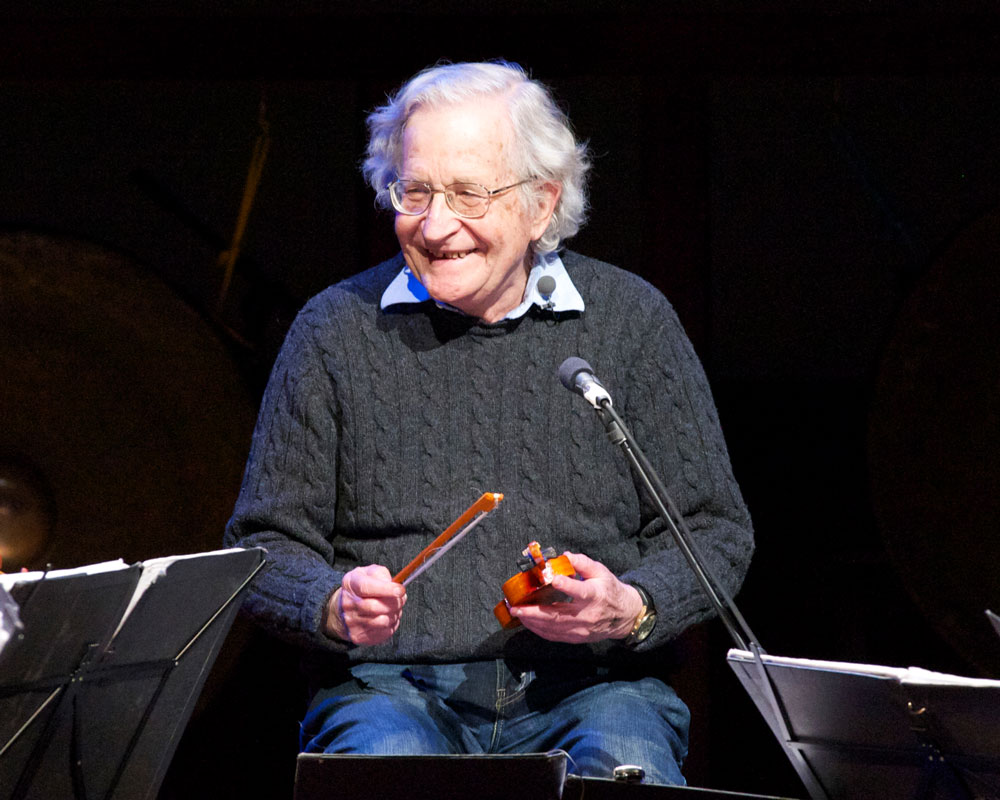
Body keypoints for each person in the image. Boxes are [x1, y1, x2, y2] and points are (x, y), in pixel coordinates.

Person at [224, 60, 753, 787]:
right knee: (386, 769)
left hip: (597, 688)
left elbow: (713, 530)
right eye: (415, 191)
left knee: (620, 765)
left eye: (469, 193)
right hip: (389, 689)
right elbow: (260, 548)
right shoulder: (333, 330)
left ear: (542, 203)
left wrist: (633, 607)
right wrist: (330, 604)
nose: (438, 226)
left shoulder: (632, 322)